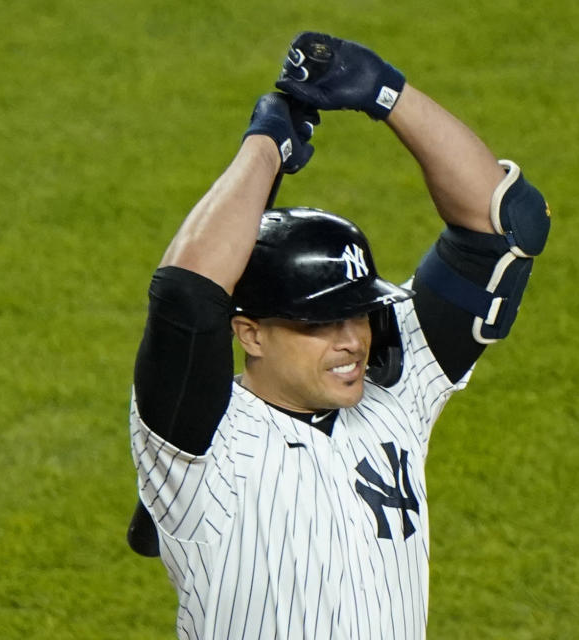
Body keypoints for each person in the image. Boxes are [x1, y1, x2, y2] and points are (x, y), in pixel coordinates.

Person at [128, 31, 551, 639]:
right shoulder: (199, 443)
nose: (351, 339)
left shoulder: (396, 389)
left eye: (356, 312)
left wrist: (386, 92)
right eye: (318, 323)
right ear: (248, 332)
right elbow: (186, 295)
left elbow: (505, 226)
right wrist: (265, 146)